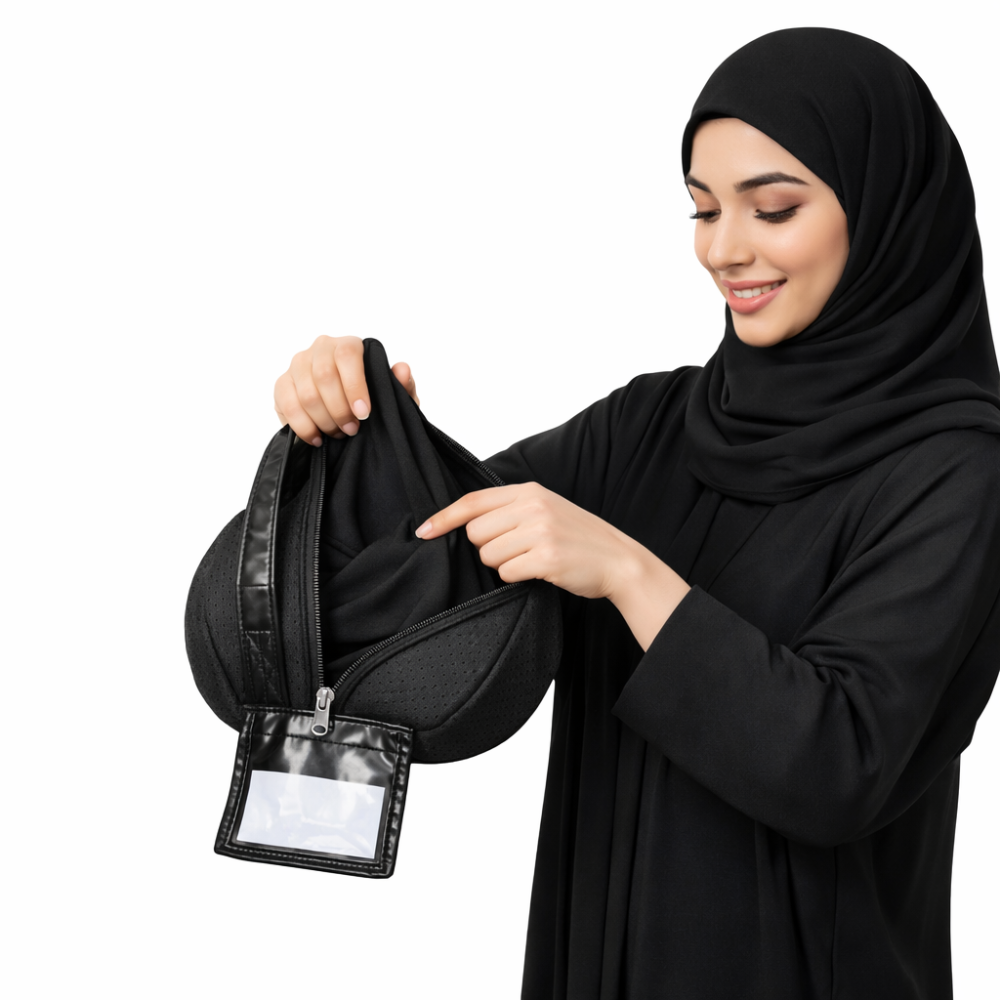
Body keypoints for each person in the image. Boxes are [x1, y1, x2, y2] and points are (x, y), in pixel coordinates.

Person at [272, 28, 1000, 1000]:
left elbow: (841, 764)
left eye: (773, 208)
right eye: (703, 209)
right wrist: (354, 427)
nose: (723, 249)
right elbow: (429, 567)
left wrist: (627, 573)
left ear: (884, 214)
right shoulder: (650, 426)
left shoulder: (956, 471)